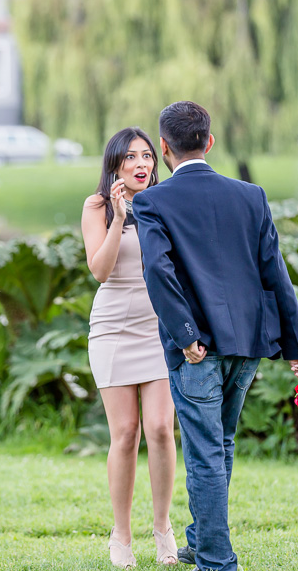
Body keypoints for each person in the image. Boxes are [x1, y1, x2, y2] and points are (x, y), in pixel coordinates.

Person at [133, 101, 298, 571]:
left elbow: (157, 270)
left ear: (165, 148)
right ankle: (200, 539)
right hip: (249, 343)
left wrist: (186, 335)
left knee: (207, 450)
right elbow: (276, 274)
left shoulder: (152, 201)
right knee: (221, 443)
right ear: (210, 143)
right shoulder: (250, 195)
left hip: (197, 351)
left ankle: (215, 559)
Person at [82, 127, 179, 569]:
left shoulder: (166, 201)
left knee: (160, 428)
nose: (143, 164)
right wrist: (120, 218)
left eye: (147, 156)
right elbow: (99, 271)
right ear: (115, 164)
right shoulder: (98, 206)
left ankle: (163, 529)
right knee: (125, 435)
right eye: (132, 157)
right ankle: (121, 535)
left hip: (159, 329)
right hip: (113, 330)